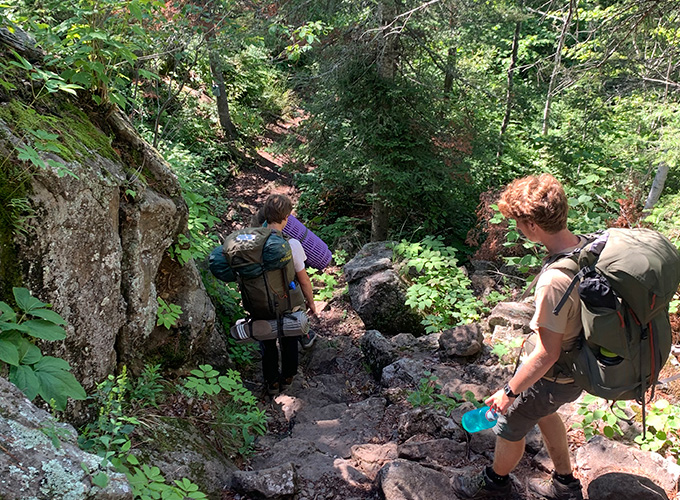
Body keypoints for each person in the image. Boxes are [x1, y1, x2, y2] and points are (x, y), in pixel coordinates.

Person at [452, 174, 584, 500]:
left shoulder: (555, 280)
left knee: (510, 423)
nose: (517, 228)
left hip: (556, 373)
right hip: (579, 365)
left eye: (517, 222)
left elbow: (546, 354)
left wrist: (508, 392)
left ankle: (495, 484)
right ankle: (566, 483)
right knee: (544, 410)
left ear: (532, 226)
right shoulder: (584, 245)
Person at [258, 194, 317, 395]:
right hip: (285, 303)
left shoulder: (251, 243)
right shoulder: (292, 245)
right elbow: (303, 279)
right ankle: (288, 377)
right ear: (287, 217)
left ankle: (271, 383)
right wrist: (311, 303)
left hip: (259, 302)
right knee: (289, 338)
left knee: (266, 339)